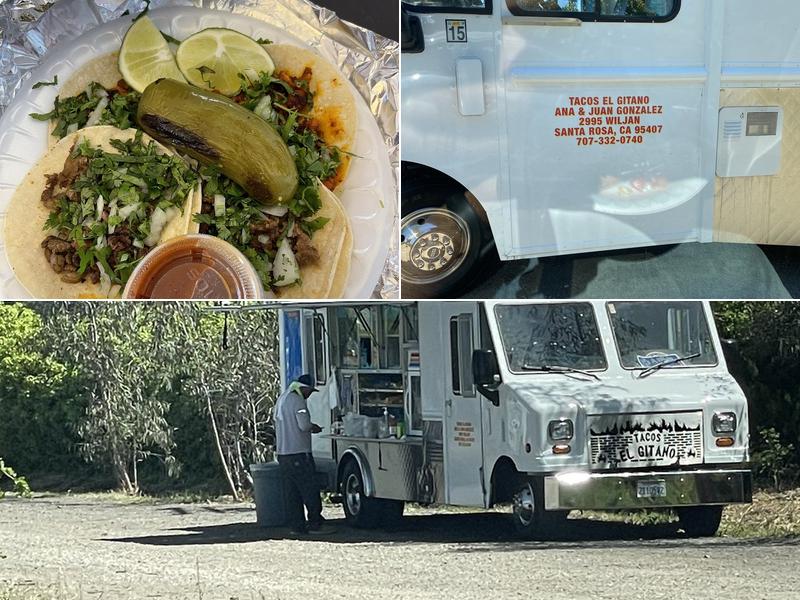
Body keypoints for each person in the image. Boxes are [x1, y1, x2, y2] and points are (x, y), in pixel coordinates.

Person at [274, 374, 332, 535]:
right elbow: (304, 425)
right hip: (299, 453)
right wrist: (315, 427)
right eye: (310, 391)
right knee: (309, 489)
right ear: (303, 388)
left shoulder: (282, 399)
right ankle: (315, 523)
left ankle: (297, 526)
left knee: (292, 493)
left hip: (283, 453)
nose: (310, 395)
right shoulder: (297, 401)